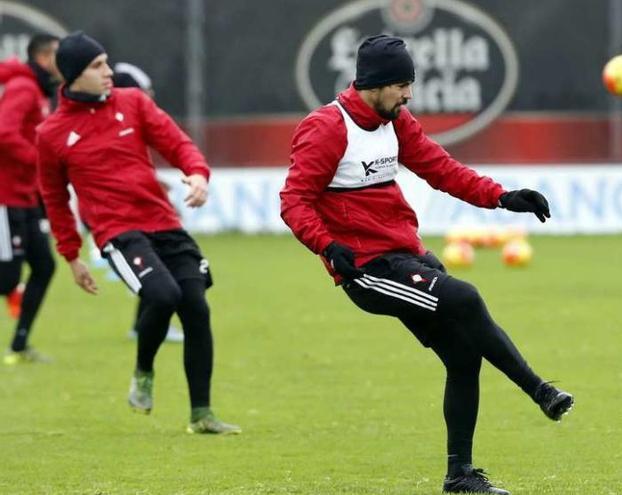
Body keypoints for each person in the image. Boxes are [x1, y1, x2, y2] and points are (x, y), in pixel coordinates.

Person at [280, 34, 573, 494]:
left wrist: (502, 196)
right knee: (465, 297)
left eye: (409, 84)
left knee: (463, 355)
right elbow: (294, 201)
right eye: (400, 84)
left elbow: (441, 168)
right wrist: (326, 246)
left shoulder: (395, 120)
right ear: (373, 83)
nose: (408, 94)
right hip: (368, 270)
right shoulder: (327, 128)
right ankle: (540, 390)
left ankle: (460, 477)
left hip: (407, 255)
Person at [37, 32, 239, 434]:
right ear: (75, 74)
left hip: (163, 222)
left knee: (196, 309)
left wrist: (197, 174)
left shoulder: (133, 103)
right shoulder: (51, 134)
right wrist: (72, 255)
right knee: (163, 295)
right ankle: (144, 370)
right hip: (117, 232)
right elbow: (55, 199)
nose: (108, 72)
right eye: (97, 66)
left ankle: (202, 414)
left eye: (107, 62)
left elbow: (177, 143)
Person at [111, 62, 184, 344]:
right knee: (160, 267)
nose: (150, 98)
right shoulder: (119, 121)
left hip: (130, 210)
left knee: (160, 263)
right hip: (120, 214)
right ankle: (150, 325)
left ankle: (144, 324)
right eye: (145, 91)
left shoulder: (131, 120)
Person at [0, 34, 61, 365]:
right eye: (58, 54)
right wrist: (37, 160)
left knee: (44, 266)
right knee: (7, 279)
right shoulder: (24, 88)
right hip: (5, 197)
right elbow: (4, 132)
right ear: (43, 57)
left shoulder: (40, 91)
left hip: (24, 196)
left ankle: (19, 345)